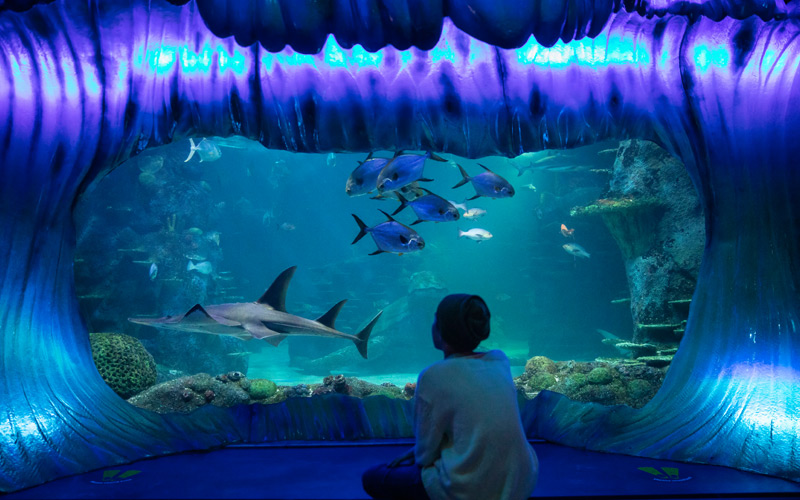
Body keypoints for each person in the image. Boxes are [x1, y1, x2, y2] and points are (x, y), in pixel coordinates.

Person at [362, 294, 538, 500]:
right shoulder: (500, 361)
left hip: (468, 490)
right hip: (522, 481)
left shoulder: (433, 376)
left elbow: (424, 456)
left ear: (441, 330)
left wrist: (421, 452)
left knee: (373, 477)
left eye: (435, 320)